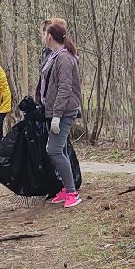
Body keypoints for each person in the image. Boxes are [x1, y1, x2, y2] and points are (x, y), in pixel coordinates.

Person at [38, 22, 83, 208]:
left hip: (64, 111)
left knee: (54, 150)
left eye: (44, 34)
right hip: (54, 110)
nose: (42, 36)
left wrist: (57, 115)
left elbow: (65, 88)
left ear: (49, 36)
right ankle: (66, 188)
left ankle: (72, 192)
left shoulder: (64, 57)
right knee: (61, 149)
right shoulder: (54, 56)